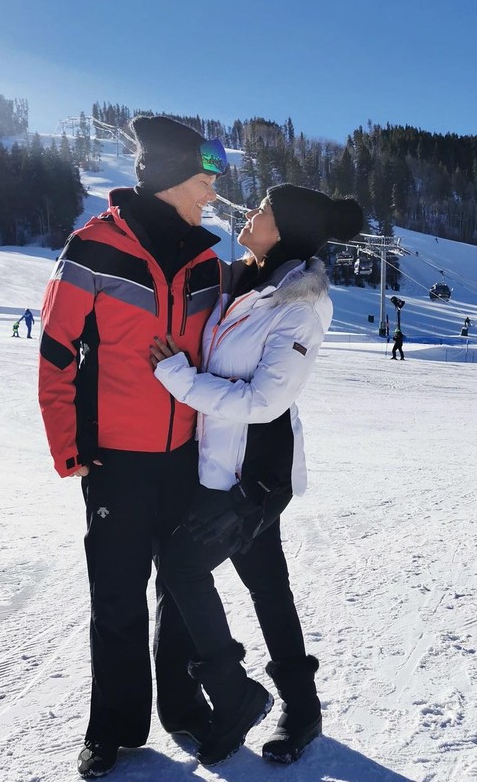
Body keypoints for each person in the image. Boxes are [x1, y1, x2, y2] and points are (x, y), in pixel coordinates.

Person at [38, 116, 229, 778]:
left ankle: (186, 712)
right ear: (174, 178)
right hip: (114, 460)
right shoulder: (92, 247)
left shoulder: (208, 263)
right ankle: (113, 728)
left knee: (180, 593)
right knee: (116, 599)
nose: (212, 194)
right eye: (206, 180)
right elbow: (57, 350)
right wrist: (69, 444)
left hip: (185, 459)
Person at [150, 184, 364, 765]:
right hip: (220, 464)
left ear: (286, 228)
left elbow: (265, 400)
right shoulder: (246, 280)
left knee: (181, 566)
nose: (250, 213)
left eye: (264, 209)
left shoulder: (299, 304)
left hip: (253, 477)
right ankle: (301, 703)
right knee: (267, 586)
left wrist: (177, 378)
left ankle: (234, 691)